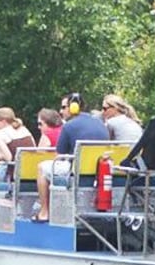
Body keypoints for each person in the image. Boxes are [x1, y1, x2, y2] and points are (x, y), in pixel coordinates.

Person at [34, 93, 109, 222]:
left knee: (42, 167)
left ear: (73, 108)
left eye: (64, 107)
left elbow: (60, 155)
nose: (61, 111)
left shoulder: (69, 126)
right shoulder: (100, 123)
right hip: (99, 173)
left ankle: (44, 212)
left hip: (78, 171)